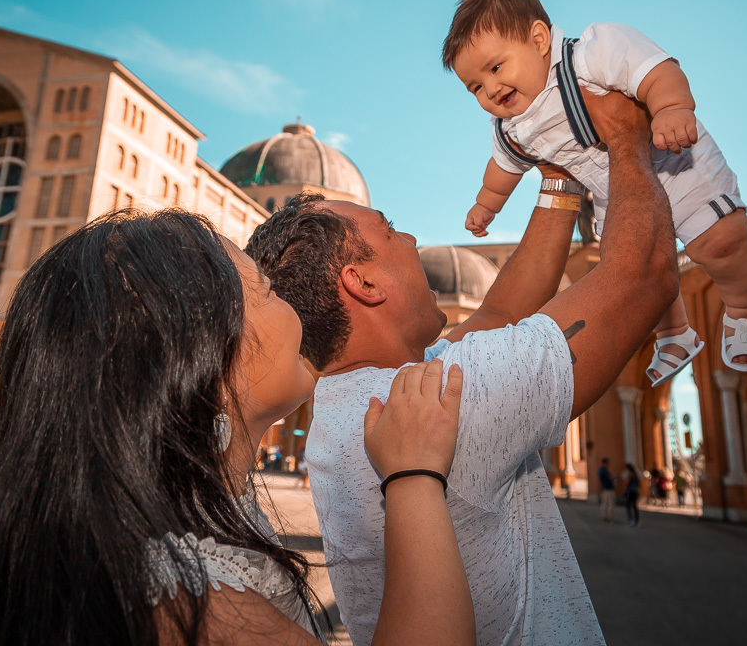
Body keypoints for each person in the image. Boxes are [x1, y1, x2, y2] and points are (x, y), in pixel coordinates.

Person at [0, 210, 475, 646]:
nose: (298, 313)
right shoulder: (189, 601)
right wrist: (414, 475)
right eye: (270, 291)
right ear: (201, 352)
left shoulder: (178, 524)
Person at [247, 85, 678, 645]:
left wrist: (558, 176)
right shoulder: (450, 399)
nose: (411, 237)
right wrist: (624, 134)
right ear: (363, 282)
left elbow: (500, 310)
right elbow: (645, 274)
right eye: (389, 227)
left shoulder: (363, 396)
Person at [443, 0, 747, 385]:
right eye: (475, 87)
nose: (490, 89)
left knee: (722, 244)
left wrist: (670, 107)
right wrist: (486, 204)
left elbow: (655, 68)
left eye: (495, 68)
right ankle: (674, 335)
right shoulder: (512, 128)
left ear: (539, 39)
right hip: (615, 195)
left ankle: (742, 314)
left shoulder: (590, 55)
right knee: (639, 272)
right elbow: (502, 169)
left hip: (673, 161)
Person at [598, 457, 617, 523]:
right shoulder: (604, 470)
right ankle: (609, 518)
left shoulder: (600, 470)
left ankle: (605, 516)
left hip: (604, 488)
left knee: (605, 503)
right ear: (605, 463)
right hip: (609, 489)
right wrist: (614, 476)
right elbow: (609, 478)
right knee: (610, 504)